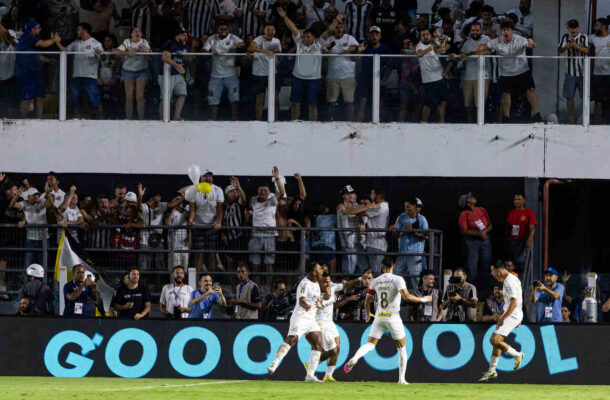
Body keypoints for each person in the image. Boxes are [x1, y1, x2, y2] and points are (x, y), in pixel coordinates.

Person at [343, 257, 431, 385]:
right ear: (393, 266)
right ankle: (401, 379)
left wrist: (368, 314)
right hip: (393, 318)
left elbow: (367, 300)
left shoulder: (376, 281)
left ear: (382, 267)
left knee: (370, 345)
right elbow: (406, 296)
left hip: (379, 317)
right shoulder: (398, 279)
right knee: (402, 349)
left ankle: (355, 358)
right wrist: (423, 300)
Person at [267, 262, 325, 382]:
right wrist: (306, 305)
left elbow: (316, 299)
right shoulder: (304, 284)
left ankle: (310, 376)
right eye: (320, 269)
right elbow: (301, 300)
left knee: (318, 345)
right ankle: (274, 364)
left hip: (311, 320)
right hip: (301, 316)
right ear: (314, 272)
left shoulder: (316, 283)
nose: (322, 271)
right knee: (292, 339)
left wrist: (319, 303)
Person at [278, 7, 338, 121]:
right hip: (297, 78)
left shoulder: (319, 44)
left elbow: (329, 30)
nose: (306, 38)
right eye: (304, 36)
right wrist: (284, 16)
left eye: (308, 36)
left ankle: (313, 125)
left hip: (314, 79)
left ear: (314, 37)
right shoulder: (299, 42)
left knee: (312, 105)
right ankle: (294, 124)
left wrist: (336, 20)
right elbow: (293, 28)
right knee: (295, 103)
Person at [476, 20, 541, 123]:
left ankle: (537, 115)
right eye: (503, 30)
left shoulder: (520, 39)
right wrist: (481, 48)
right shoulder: (497, 41)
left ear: (512, 31)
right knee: (505, 94)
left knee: (531, 90)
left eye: (508, 30)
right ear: (501, 31)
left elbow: (531, 45)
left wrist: (531, 42)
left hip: (522, 70)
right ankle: (506, 118)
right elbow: (484, 46)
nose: (505, 32)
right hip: (506, 73)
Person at [478, 262, 524, 383]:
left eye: (492, 272)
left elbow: (514, 302)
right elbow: (515, 301)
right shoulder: (510, 279)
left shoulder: (509, 281)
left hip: (512, 315)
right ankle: (492, 370)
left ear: (498, 270)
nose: (492, 275)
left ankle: (517, 355)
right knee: (497, 342)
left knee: (494, 340)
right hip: (513, 314)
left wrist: (504, 318)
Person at [14, 20, 62, 118]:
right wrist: (54, 40)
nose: (40, 29)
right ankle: (23, 121)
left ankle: (39, 120)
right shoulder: (27, 37)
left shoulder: (31, 41)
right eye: (38, 27)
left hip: (36, 73)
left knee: (39, 97)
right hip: (25, 73)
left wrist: (49, 61)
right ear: (32, 29)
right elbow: (44, 44)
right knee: (26, 98)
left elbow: (36, 55)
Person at [203, 22, 245, 121]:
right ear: (217, 30)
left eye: (225, 29)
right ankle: (213, 119)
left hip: (231, 74)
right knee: (213, 98)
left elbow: (242, 44)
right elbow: (204, 50)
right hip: (215, 75)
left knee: (234, 98)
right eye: (221, 29)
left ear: (228, 30)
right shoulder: (212, 38)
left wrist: (239, 45)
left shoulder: (232, 38)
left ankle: (234, 119)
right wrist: (210, 52)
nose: (223, 31)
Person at [62, 23, 104, 119]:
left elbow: (103, 58)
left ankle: (99, 118)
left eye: (79, 29)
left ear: (85, 31)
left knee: (94, 98)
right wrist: (56, 42)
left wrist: (100, 54)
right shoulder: (76, 43)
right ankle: (77, 117)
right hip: (76, 75)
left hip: (90, 75)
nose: (77, 31)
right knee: (75, 98)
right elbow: (64, 51)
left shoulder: (96, 43)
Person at [248, 167, 284, 279]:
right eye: (261, 190)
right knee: (255, 265)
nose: (263, 192)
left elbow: (282, 192)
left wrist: (276, 177)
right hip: (256, 235)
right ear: (258, 191)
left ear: (269, 192)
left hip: (270, 235)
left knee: (269, 264)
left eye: (265, 190)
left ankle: (268, 288)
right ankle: (257, 287)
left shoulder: (273, 199)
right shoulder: (253, 200)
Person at [189, 171, 225, 272]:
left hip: (212, 226)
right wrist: (191, 220)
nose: (208, 178)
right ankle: (198, 281)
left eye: (210, 176)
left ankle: (212, 281)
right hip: (198, 226)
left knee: (212, 254)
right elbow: (192, 208)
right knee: (198, 254)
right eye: (205, 176)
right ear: (201, 178)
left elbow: (220, 208)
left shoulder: (218, 190)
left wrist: (218, 221)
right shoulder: (195, 190)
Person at [355, 26, 392, 122]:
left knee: (380, 103)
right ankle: (357, 126)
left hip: (379, 79)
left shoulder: (385, 49)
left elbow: (390, 65)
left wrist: (384, 80)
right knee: (362, 102)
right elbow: (355, 59)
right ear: (369, 36)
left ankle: (383, 125)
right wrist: (359, 51)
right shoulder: (365, 48)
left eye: (376, 34)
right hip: (365, 79)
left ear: (380, 36)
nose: (374, 36)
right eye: (372, 34)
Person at [324, 19, 358, 120]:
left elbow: (355, 48)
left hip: (348, 75)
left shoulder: (349, 38)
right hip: (332, 75)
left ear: (344, 28)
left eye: (341, 27)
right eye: (337, 27)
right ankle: (331, 122)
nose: (338, 29)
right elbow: (325, 53)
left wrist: (346, 48)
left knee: (349, 103)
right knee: (331, 102)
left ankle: (350, 123)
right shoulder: (329, 40)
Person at [114, 27, 151, 120]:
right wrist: (127, 52)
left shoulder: (144, 41)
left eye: (139, 31)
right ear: (131, 34)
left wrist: (145, 50)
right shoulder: (127, 42)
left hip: (141, 70)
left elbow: (149, 51)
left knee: (140, 97)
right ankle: (129, 119)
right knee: (129, 96)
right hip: (128, 70)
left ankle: (141, 119)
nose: (137, 33)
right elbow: (116, 51)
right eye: (135, 31)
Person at [392, 197, 429, 289]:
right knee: (396, 276)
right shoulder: (401, 217)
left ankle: (417, 300)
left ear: (414, 207)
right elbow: (395, 234)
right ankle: (399, 299)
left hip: (415, 254)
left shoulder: (422, 219)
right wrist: (394, 230)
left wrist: (412, 231)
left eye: (408, 207)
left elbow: (424, 237)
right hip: (402, 252)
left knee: (415, 278)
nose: (406, 209)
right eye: (405, 207)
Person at [557, 19, 588, 124]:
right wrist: (566, 47)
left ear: (578, 28)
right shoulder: (565, 37)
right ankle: (571, 118)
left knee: (585, 96)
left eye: (575, 29)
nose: (573, 31)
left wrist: (577, 46)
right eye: (571, 29)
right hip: (569, 72)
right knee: (569, 97)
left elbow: (587, 50)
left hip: (583, 72)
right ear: (569, 28)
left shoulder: (584, 37)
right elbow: (559, 50)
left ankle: (585, 117)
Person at [249, 23, 282, 121]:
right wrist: (267, 52)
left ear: (275, 31)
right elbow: (251, 47)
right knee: (260, 100)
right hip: (259, 73)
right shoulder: (259, 39)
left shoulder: (277, 41)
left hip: (273, 72)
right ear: (264, 31)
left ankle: (275, 120)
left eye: (272, 29)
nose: (270, 31)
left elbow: (280, 57)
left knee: (275, 98)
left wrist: (278, 52)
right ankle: (258, 121)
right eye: (268, 29)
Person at [459, 21, 490, 123]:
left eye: (477, 30)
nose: (475, 32)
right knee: (468, 104)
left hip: (483, 75)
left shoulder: (486, 39)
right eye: (473, 30)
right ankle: (470, 124)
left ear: (481, 30)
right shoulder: (467, 42)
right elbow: (461, 55)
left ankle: (480, 123)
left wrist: (469, 54)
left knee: (480, 103)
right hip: (468, 76)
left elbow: (487, 51)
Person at [10, 188, 49, 267]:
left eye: (37, 195)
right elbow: (12, 205)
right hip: (30, 239)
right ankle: (30, 279)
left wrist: (48, 194)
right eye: (34, 195)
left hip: (43, 239)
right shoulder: (24, 203)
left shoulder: (41, 202)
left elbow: (50, 204)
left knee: (43, 265)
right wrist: (17, 195)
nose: (36, 196)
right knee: (30, 265)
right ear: (28, 197)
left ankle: (42, 279)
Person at [416, 26, 448, 123]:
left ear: (430, 35)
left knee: (442, 102)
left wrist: (444, 40)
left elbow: (443, 50)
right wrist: (429, 49)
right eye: (423, 35)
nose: (425, 37)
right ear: (420, 37)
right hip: (429, 80)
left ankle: (441, 123)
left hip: (440, 77)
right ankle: (424, 122)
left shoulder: (434, 43)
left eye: (427, 34)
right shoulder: (419, 45)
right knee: (428, 103)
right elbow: (418, 54)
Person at [458, 193, 492, 283]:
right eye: (470, 197)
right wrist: (478, 233)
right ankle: (471, 290)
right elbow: (464, 231)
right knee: (472, 269)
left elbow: (490, 224)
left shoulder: (481, 209)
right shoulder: (464, 214)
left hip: (485, 241)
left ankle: (485, 291)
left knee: (486, 267)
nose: (473, 197)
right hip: (471, 243)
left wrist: (484, 232)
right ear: (468, 203)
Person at [160, 27, 188, 121]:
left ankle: (177, 117)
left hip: (177, 75)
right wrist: (178, 66)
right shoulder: (170, 44)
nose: (186, 37)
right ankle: (163, 119)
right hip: (166, 74)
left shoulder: (182, 46)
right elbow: (164, 58)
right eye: (184, 35)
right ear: (178, 35)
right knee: (165, 98)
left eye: (186, 35)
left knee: (182, 93)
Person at [505, 193, 536, 274]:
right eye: (515, 199)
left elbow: (532, 228)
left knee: (522, 262)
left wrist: (529, 240)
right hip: (513, 242)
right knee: (512, 264)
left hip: (523, 242)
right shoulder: (511, 213)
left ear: (524, 200)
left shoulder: (529, 212)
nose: (517, 201)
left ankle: (524, 282)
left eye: (519, 199)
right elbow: (508, 227)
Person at [363, 189, 389, 272]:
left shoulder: (380, 206)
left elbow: (360, 212)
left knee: (375, 272)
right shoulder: (376, 204)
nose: (370, 195)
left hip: (376, 245)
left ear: (377, 195)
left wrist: (350, 210)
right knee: (370, 271)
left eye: (372, 193)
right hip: (373, 243)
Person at [590, 18, 610, 125]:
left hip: (609, 74)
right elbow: (580, 38)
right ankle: (597, 123)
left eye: (596, 25)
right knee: (597, 100)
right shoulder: (593, 38)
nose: (594, 27)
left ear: (603, 26)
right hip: (597, 74)